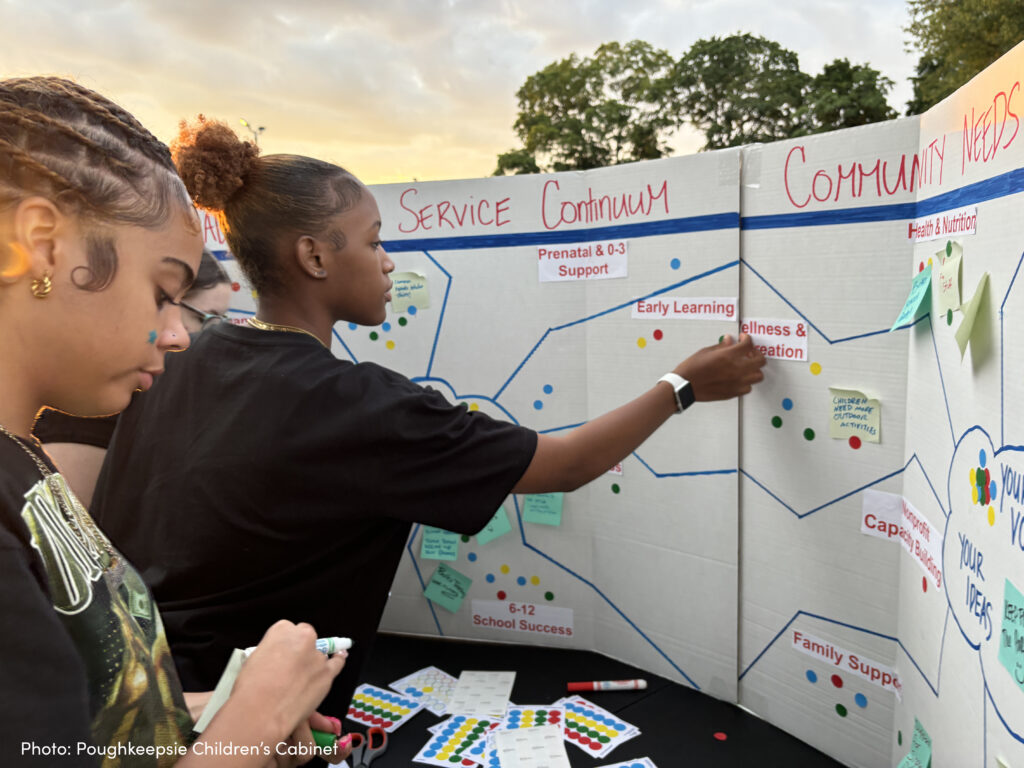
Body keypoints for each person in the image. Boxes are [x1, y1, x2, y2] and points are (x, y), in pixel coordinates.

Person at [91, 116, 767, 720]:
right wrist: (684, 384)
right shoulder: (356, 405)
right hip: (253, 721)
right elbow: (567, 466)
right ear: (315, 256)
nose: (388, 261)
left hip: (130, 698)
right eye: (373, 241)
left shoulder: (178, 361)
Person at [0, 78, 348, 766]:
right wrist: (255, 714)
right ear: (41, 246)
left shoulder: (23, 458)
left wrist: (207, 718)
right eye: (163, 293)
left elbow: (65, 721)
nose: (179, 334)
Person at [32, 249, 233, 507]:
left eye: (221, 323)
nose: (210, 336)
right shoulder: (92, 404)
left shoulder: (150, 389)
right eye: (203, 319)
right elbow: (71, 527)